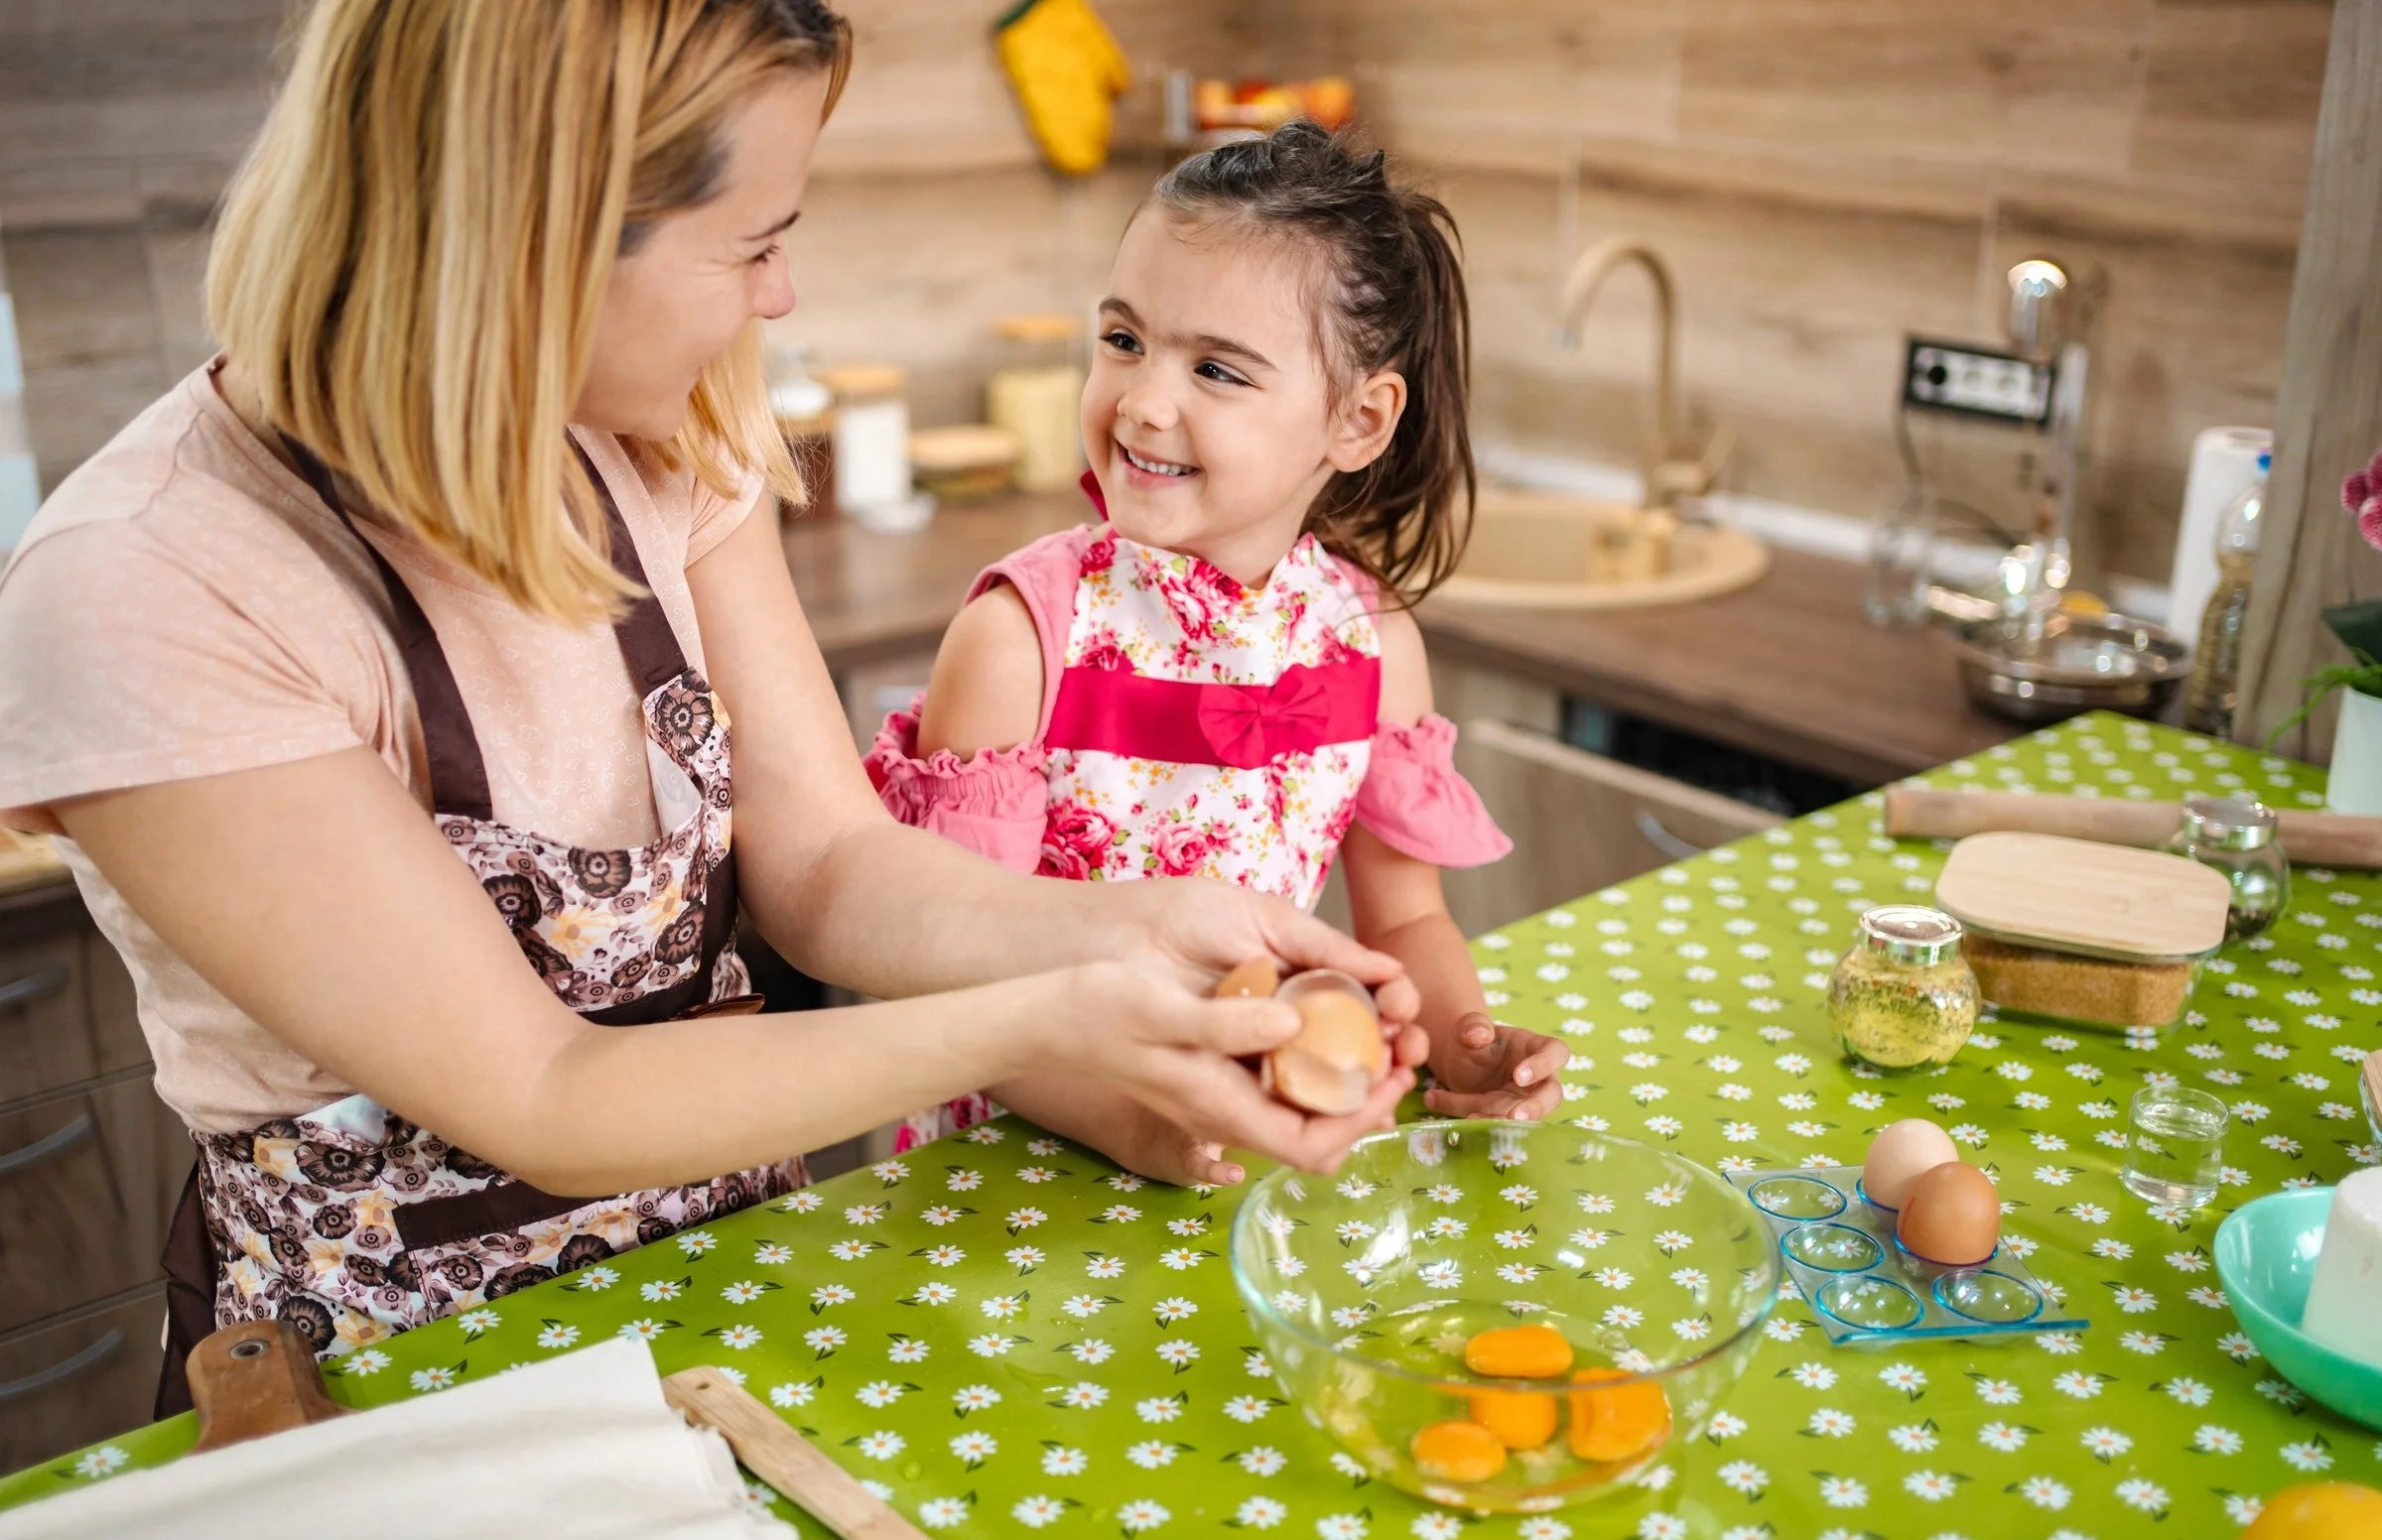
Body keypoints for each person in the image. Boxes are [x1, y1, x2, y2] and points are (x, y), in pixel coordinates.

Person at [0, 1, 1420, 1408]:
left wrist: (1138, 927)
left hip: (743, 1302)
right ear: (539, 246)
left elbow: (829, 866)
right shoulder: (148, 590)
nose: (780, 295)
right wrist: (1047, 1017)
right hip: (402, 1389)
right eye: (755, 243)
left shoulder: (659, 433)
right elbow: (541, 1095)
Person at [866, 123, 1563, 1173]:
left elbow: (1406, 918)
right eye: (1124, 341)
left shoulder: (1371, 645)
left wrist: (1464, 1047)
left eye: (1219, 371)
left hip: (1238, 1142)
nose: (1144, 401)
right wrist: (1124, 1117)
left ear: (1360, 421)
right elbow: (946, 983)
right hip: (1010, 1168)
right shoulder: (1021, 641)